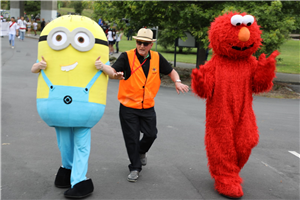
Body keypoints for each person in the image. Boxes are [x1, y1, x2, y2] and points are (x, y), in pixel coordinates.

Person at [97, 28, 189, 182]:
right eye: (139, 42)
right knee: (131, 138)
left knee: (151, 134)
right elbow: (113, 71)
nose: (142, 46)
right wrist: (105, 69)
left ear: (151, 45)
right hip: (128, 106)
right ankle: (134, 167)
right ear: (136, 42)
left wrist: (177, 81)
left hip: (147, 106)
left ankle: (140, 152)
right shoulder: (126, 56)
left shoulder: (157, 58)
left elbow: (171, 71)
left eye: (145, 43)